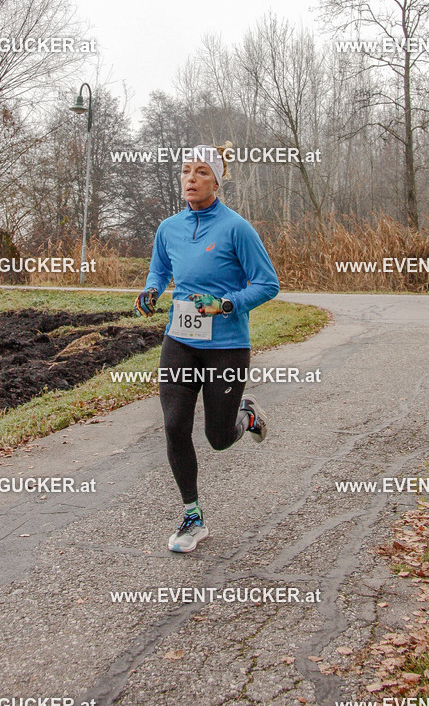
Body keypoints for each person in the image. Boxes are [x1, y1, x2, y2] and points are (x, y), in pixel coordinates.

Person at [134, 143, 280, 552]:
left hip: (227, 345)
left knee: (217, 437)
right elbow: (160, 270)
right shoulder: (168, 228)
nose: (191, 178)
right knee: (174, 424)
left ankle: (247, 418)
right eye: (185, 171)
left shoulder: (236, 228)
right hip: (180, 340)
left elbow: (268, 284)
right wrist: (150, 291)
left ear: (217, 180)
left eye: (201, 172)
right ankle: (192, 517)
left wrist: (227, 303)